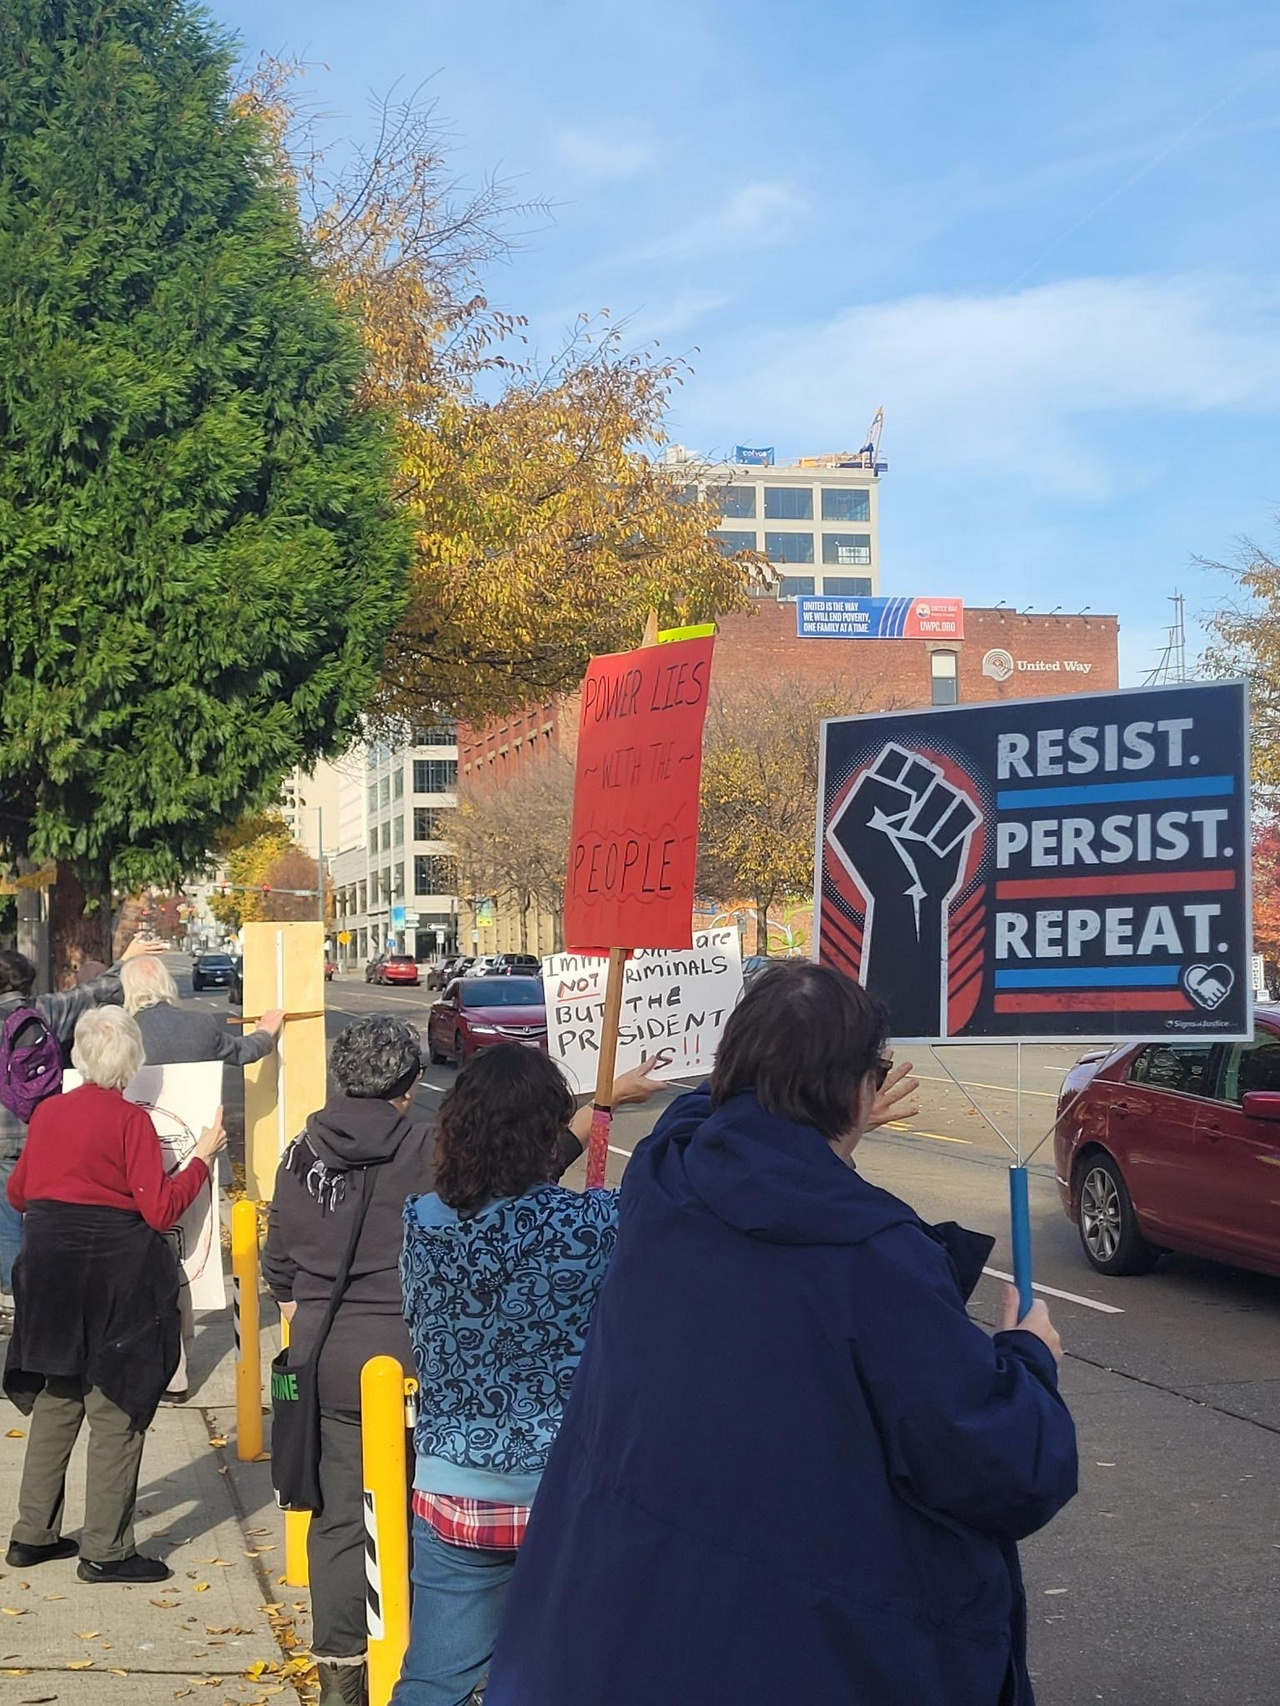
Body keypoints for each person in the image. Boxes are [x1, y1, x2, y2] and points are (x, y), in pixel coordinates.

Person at [485, 962, 1079, 1706]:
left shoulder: (666, 1177)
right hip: (797, 1656)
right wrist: (1029, 1358)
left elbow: (722, 1110)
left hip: (608, 1638)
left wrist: (819, 1098)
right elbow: (1008, 1470)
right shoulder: (875, 1258)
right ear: (860, 1090)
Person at [392, 1044, 663, 1706]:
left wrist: (596, 1107)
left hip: (454, 1493)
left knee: (433, 1681)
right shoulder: (593, 1226)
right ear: (546, 1134)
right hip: (563, 1497)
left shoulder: (421, 1224)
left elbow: (502, 1189)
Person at [4, 1006, 225, 1582]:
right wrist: (200, 1159)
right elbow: (160, 1210)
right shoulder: (131, 1123)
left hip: (48, 1274)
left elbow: (19, 1194)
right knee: (115, 1406)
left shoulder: (49, 1113)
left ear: (79, 1056)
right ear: (131, 1063)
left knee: (58, 1399)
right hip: (113, 1278)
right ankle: (105, 1550)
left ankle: (32, 1534)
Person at [262, 1017, 432, 1706]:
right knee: (424, 1515)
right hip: (415, 1359)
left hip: (325, 1358)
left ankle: (341, 1675)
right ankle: (418, 1660)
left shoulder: (302, 1149)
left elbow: (278, 1258)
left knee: (336, 1518)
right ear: (410, 1083)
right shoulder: (431, 1145)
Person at [123, 955, 282, 1400]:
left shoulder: (121, 1032)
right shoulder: (199, 1026)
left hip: (132, 1166)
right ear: (168, 986)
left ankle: (148, 1364)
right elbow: (245, 1051)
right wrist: (268, 1031)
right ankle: (180, 1367)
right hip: (200, 1155)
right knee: (191, 1256)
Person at [0, 933, 167, 1317]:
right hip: (44, 1130)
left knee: (8, 1217)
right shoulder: (44, 1011)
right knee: (52, 1214)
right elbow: (93, 993)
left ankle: (15, 1297)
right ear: (27, 982)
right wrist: (126, 958)